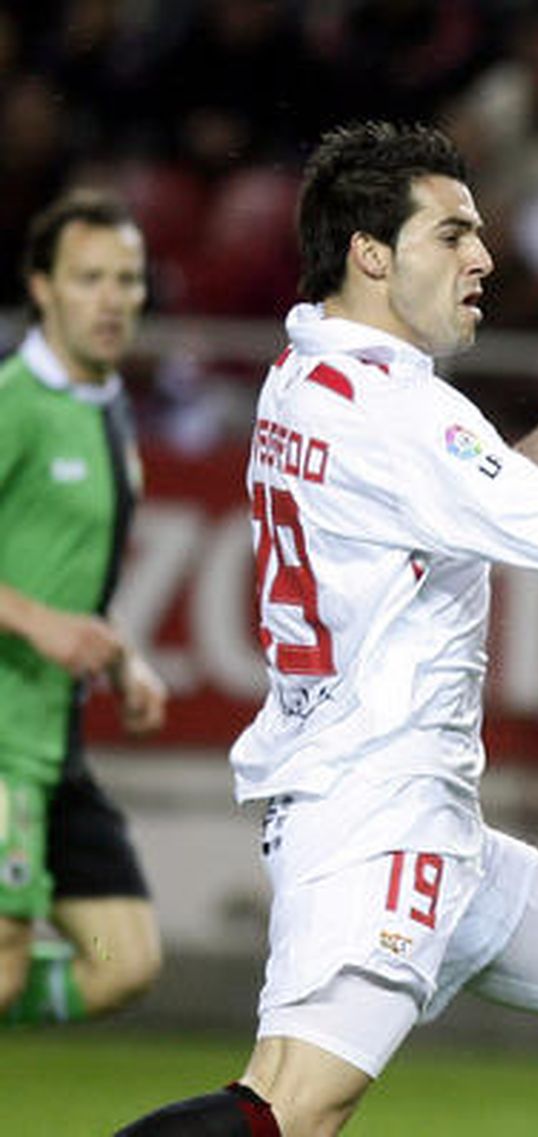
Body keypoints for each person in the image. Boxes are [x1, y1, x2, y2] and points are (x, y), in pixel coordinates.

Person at [114, 121, 538, 1137]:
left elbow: (394, 527)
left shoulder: (305, 372)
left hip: (420, 814)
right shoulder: (397, 411)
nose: (482, 257)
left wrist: (508, 471)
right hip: (376, 817)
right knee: (294, 1109)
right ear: (371, 253)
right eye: (451, 234)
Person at [0, 190, 168, 1029]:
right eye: (89, 277)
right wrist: (37, 623)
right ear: (42, 287)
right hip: (1, 744)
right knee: (1, 963)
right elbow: (45, 606)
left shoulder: (104, 409)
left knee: (120, 960)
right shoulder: (15, 403)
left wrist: (120, 655)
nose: (112, 298)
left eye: (128, 279)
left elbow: (71, 585)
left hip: (54, 748)